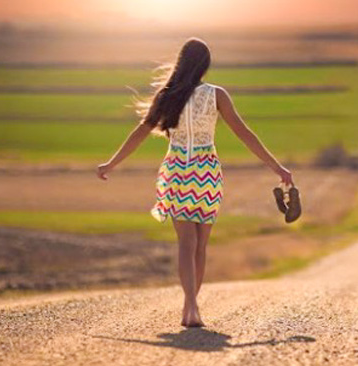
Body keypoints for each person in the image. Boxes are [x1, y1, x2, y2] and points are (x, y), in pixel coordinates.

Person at [96, 38, 293, 327]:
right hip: (207, 173)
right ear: (204, 66)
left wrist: (111, 163)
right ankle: (192, 307)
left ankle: (190, 305)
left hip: (178, 171)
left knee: (186, 244)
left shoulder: (167, 96)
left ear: (181, 63)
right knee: (200, 245)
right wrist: (278, 168)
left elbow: (141, 131)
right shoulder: (216, 95)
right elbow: (244, 133)